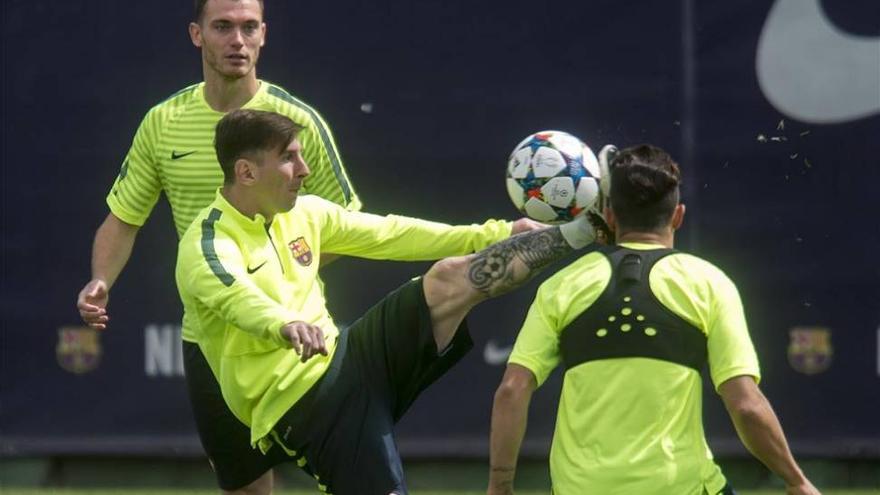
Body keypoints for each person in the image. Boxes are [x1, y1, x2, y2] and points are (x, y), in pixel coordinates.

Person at [175, 109, 604, 495]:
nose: (304, 170)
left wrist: (495, 233)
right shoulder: (206, 243)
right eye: (289, 158)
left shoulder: (306, 212)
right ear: (246, 173)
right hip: (306, 406)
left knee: (448, 279)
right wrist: (282, 324)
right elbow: (235, 296)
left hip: (350, 353)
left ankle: (586, 230)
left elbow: (391, 232)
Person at [75, 0, 362, 492]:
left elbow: (349, 222)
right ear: (196, 34)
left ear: (264, 35)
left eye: (249, 27)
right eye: (223, 27)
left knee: (352, 471)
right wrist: (101, 279)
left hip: (300, 333)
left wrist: (281, 269)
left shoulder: (296, 121)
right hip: (212, 341)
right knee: (245, 485)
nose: (238, 40)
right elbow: (123, 219)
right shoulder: (163, 122)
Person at [486, 144, 821, 495]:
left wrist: (500, 484)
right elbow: (746, 405)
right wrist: (795, 481)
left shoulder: (562, 285)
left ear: (610, 216)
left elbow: (512, 390)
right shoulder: (708, 283)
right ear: (678, 216)